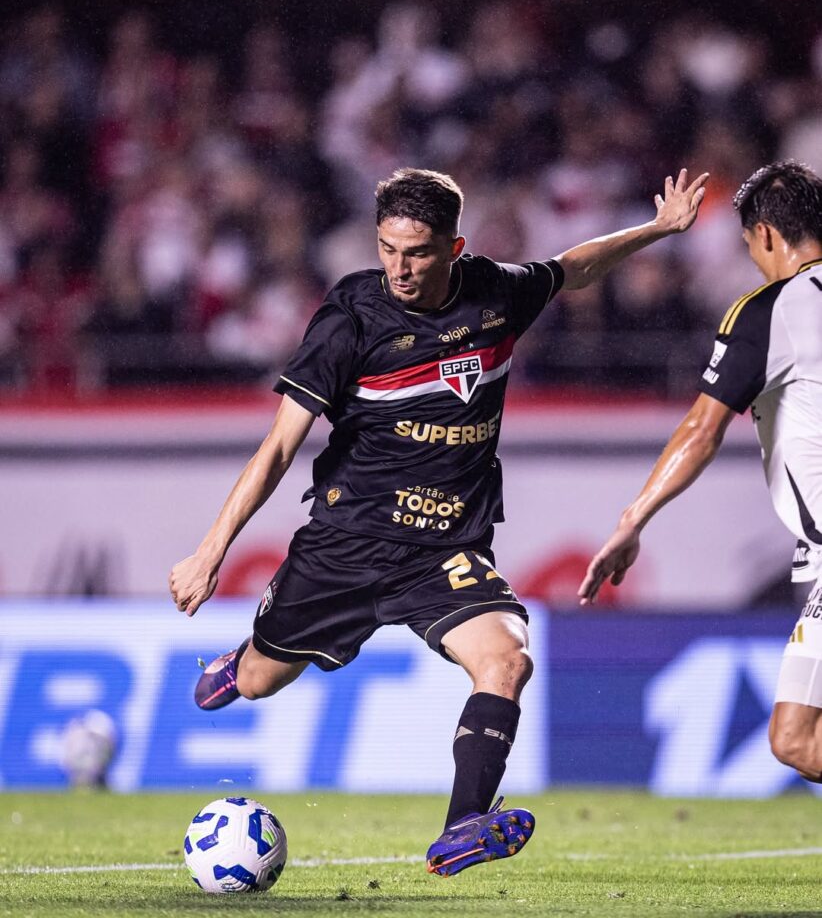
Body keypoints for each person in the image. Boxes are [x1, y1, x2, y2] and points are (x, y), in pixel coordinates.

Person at [170, 165, 708, 876]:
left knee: (508, 656)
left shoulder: (494, 292)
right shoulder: (350, 319)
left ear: (454, 249)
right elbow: (277, 448)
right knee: (265, 678)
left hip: (443, 549)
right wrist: (211, 550)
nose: (398, 267)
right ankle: (239, 665)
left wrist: (658, 229)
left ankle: (461, 827)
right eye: (387, 248)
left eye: (417, 252)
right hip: (346, 544)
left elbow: (569, 270)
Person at [579, 160, 822, 785]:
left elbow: (701, 429)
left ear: (765, 236)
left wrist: (632, 518)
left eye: (748, 245)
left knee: (797, 739)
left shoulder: (772, 309)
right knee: (796, 738)